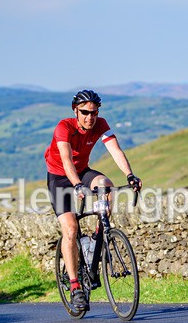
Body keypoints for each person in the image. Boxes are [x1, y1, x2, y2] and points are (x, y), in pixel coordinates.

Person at [45, 89, 142, 311]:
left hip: (82, 171)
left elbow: (115, 150)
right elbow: (67, 160)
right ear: (75, 111)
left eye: (94, 112)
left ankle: (100, 235)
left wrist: (130, 175)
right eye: (85, 112)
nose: (90, 117)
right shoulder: (64, 127)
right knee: (70, 229)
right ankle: (75, 286)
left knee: (106, 185)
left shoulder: (100, 124)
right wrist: (77, 185)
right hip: (60, 177)